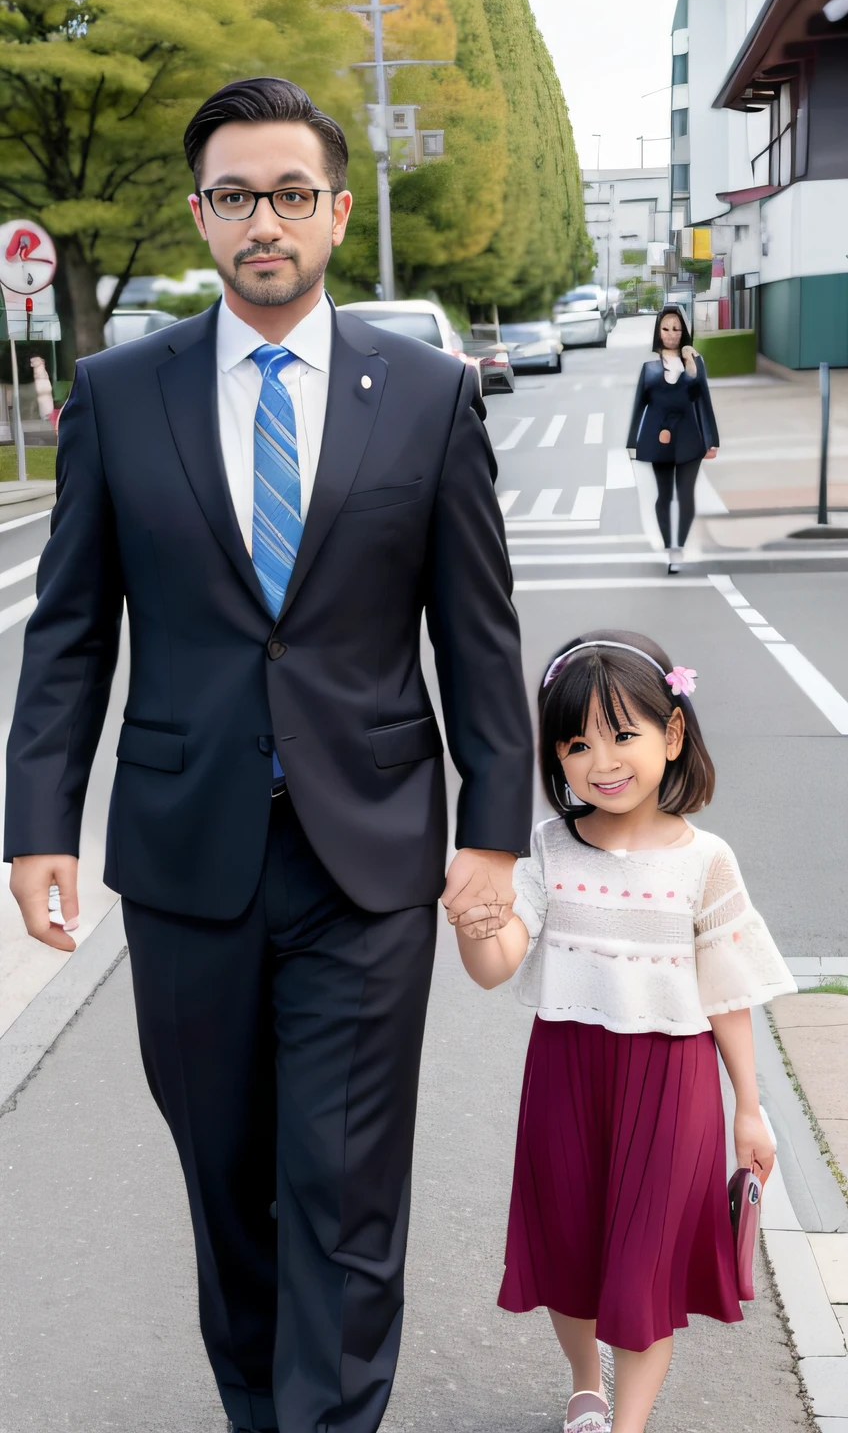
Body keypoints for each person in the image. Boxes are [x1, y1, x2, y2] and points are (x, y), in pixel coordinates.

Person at [4, 77, 534, 1433]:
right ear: (201, 214)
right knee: (229, 1181)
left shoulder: (424, 395)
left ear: (338, 211)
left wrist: (492, 834)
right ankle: (264, 1410)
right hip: (189, 862)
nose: (264, 221)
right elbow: (68, 630)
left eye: (291, 194)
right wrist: (38, 825)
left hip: (369, 859)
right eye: (236, 196)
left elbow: (479, 635)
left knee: (347, 1186)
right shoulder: (123, 393)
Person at [452, 630, 796, 1433]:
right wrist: (475, 921)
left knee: (644, 1269)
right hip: (566, 1072)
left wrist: (749, 1107)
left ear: (672, 736)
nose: (601, 760)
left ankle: (628, 1424)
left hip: (673, 1081)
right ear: (556, 760)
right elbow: (499, 962)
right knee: (568, 1248)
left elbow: (727, 992)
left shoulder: (705, 859)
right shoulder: (547, 848)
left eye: (623, 734)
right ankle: (585, 1386)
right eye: (576, 744)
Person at [626, 305, 719, 575]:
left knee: (686, 494)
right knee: (664, 495)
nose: (671, 334)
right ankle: (671, 547)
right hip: (659, 438)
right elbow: (638, 406)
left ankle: (681, 544)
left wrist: (712, 439)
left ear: (684, 332)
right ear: (658, 332)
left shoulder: (694, 362)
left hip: (690, 436)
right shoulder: (650, 368)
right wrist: (632, 442)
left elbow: (703, 399)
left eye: (676, 329)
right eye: (666, 329)